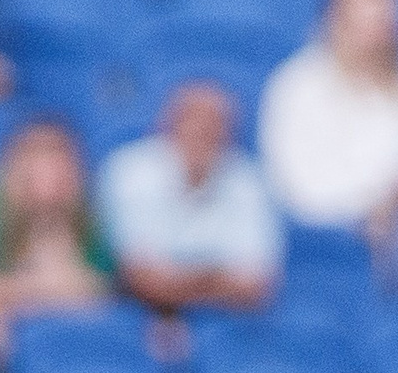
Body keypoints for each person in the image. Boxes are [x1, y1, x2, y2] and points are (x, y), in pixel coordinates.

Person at [258, 0, 398, 254]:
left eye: (391, 0)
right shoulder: (298, 84)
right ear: (336, 12)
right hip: (326, 250)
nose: (385, 11)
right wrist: (379, 202)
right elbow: (296, 190)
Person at [98, 79, 282, 338]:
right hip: (138, 317)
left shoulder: (248, 181)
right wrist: (218, 278)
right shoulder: (128, 173)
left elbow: (257, 286)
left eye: (214, 128)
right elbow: (141, 280)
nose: (202, 135)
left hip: (227, 325)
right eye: (192, 124)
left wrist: (176, 280)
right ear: (167, 126)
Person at [0, 118, 115, 363]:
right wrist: (45, 288)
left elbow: (98, 287)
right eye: (35, 154)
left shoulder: (85, 208)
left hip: (55, 319)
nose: (48, 166)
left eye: (59, 155)